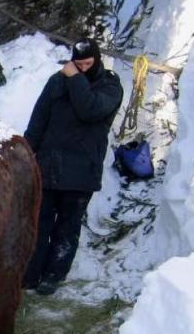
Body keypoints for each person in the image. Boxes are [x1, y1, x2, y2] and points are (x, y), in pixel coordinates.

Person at [22, 38, 124, 295]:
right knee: (39, 222)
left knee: (67, 226)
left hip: (82, 170)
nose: (82, 68)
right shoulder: (57, 81)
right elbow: (39, 118)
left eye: (87, 64)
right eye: (78, 64)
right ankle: (31, 274)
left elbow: (89, 110)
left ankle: (54, 276)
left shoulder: (110, 86)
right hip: (48, 166)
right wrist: (25, 152)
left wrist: (74, 78)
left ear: (97, 60)